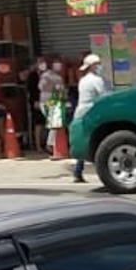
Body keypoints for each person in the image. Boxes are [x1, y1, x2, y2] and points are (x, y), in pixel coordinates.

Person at [71, 54, 108, 183]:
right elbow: (104, 97)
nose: (100, 66)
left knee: (84, 141)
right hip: (92, 113)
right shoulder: (97, 80)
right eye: (97, 64)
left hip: (81, 112)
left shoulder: (83, 80)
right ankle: (103, 171)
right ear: (92, 66)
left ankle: (78, 170)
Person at [37, 58, 68, 157]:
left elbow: (62, 91)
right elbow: (41, 87)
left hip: (54, 101)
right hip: (49, 102)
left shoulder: (58, 77)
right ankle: (50, 145)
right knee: (54, 124)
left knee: (54, 124)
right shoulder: (47, 76)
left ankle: (52, 145)